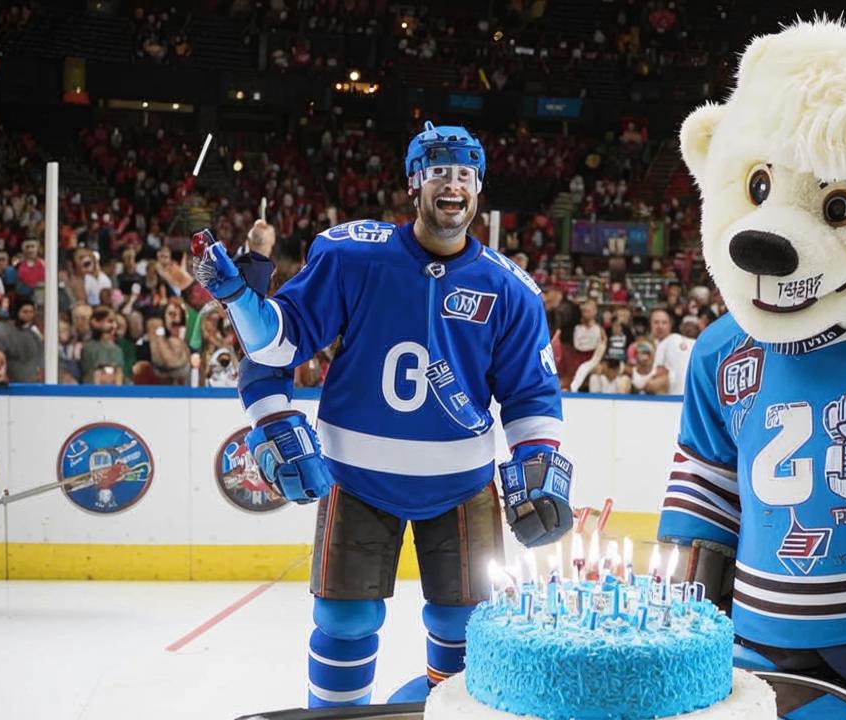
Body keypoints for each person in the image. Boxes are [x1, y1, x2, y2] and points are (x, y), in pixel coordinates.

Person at [194, 121, 573, 708]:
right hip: (358, 477)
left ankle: (449, 713)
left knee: (466, 630)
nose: (454, 185)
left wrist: (537, 463)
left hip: (462, 482)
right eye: (440, 172)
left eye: (466, 174)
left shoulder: (511, 290)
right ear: (414, 183)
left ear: (479, 187)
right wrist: (243, 303)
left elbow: (531, 397)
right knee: (344, 620)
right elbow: (276, 346)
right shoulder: (351, 255)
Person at [0, 297, 41, 382]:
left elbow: (40, 363)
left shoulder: (34, 336)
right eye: (25, 311)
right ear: (16, 312)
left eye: (31, 312)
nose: (28, 315)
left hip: (30, 389)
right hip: (3, 390)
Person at [651, 308, 695, 394]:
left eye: (664, 322)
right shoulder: (650, 344)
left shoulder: (670, 341)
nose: (660, 326)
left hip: (675, 396)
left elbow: (654, 375)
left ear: (670, 325)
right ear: (650, 325)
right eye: (656, 322)